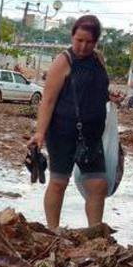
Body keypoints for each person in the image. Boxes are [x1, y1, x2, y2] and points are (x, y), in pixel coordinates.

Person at [27, 15, 110, 230]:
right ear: (72, 36)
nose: (83, 46)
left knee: (99, 184)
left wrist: (109, 97)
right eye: (79, 40)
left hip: (91, 136)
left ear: (96, 41)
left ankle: (95, 233)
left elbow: (94, 91)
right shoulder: (63, 61)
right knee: (58, 182)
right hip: (62, 133)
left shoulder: (98, 60)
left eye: (89, 42)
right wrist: (40, 133)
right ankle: (54, 230)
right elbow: (48, 101)